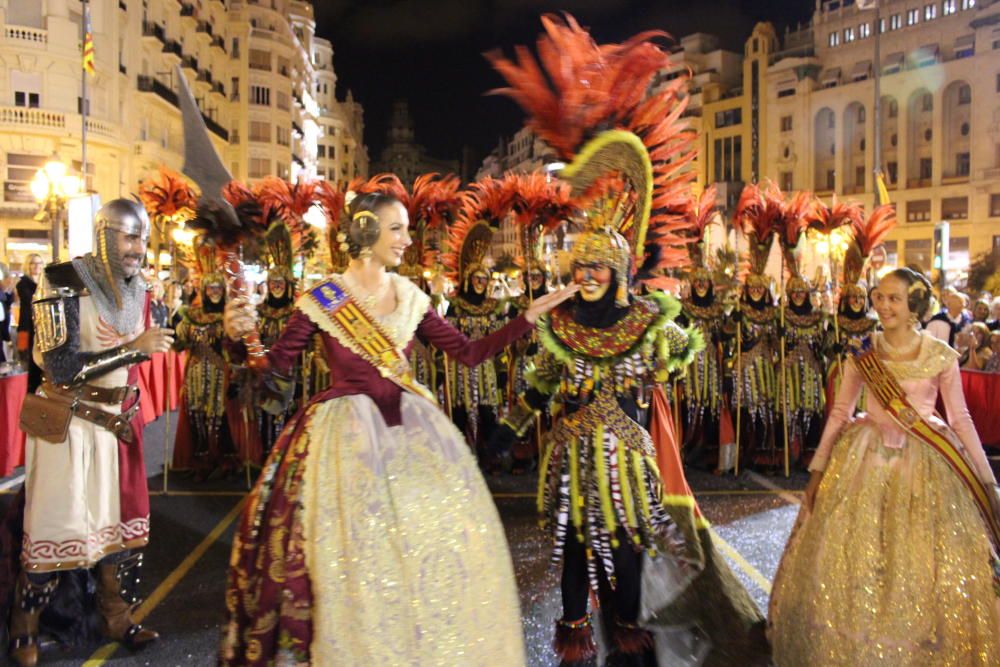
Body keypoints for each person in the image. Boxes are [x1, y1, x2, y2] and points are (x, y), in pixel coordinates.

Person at [219, 190, 577, 665]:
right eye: (397, 229)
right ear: (366, 231)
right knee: (351, 558)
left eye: (407, 228)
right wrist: (239, 338)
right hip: (342, 443)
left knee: (432, 556)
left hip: (413, 435)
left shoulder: (411, 297)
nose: (409, 240)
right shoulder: (324, 296)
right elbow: (273, 370)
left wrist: (527, 319)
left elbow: (467, 354)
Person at [769, 267, 1000, 666]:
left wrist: (987, 480)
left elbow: (961, 420)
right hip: (862, 462)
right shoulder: (863, 350)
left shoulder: (941, 356)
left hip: (926, 466)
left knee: (920, 564)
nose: (883, 305)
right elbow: (840, 412)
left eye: (894, 298)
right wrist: (818, 471)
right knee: (856, 561)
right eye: (880, 296)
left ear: (915, 305)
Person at [5, 200, 172, 666]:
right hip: (71, 425)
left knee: (123, 535)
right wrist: (133, 350)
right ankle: (26, 625)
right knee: (55, 527)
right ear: (104, 235)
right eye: (129, 237)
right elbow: (59, 367)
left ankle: (116, 616)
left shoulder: (138, 286)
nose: (139, 248)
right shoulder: (62, 280)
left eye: (143, 238)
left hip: (119, 427)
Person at [15, 254, 44, 393]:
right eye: (33, 263)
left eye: (39, 263)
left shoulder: (44, 283)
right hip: (25, 328)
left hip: (39, 327)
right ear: (28, 265)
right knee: (25, 359)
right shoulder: (23, 283)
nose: (37, 266)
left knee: (38, 360)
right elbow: (30, 301)